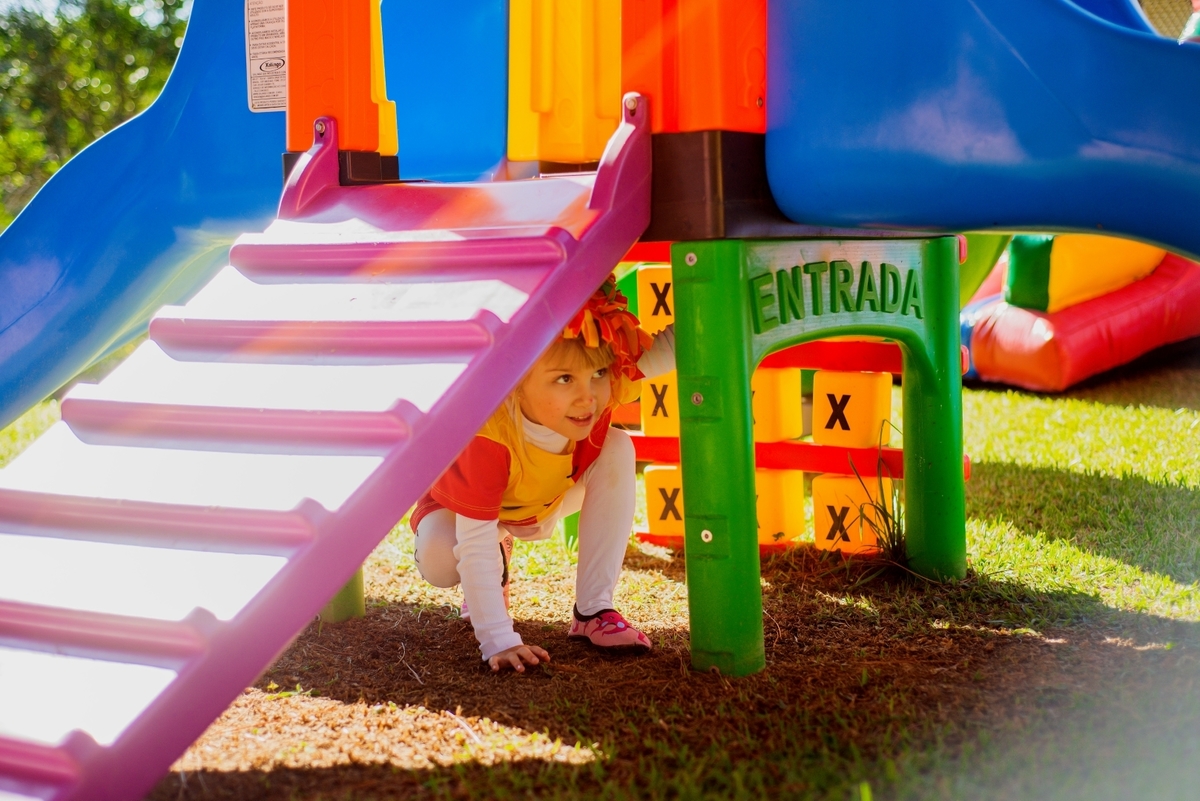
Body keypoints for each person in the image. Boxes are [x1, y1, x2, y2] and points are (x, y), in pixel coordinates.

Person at [410, 275, 675, 673]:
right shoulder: (488, 432)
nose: (587, 396)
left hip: (544, 499)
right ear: (516, 382)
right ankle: (498, 561)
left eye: (598, 375)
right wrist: (498, 639)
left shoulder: (597, 377)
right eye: (564, 379)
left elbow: (676, 346)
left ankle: (593, 610)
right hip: (466, 514)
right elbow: (474, 538)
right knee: (443, 559)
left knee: (618, 445)